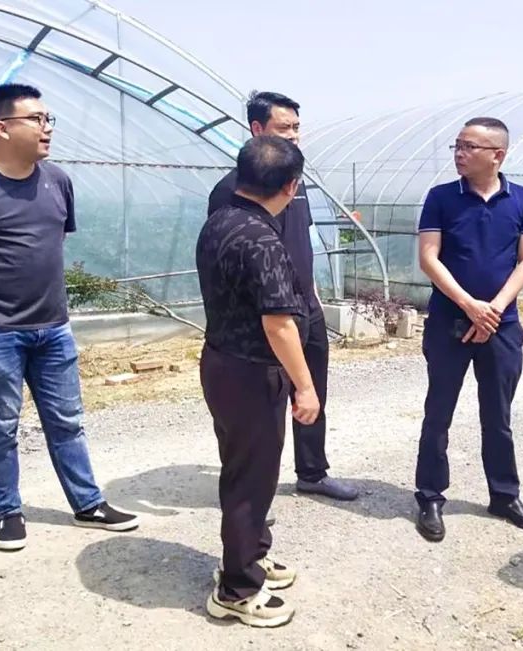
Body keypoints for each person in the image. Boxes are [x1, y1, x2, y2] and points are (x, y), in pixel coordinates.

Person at [0, 83, 138, 552]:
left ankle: (88, 504)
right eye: (36, 119)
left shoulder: (57, 180)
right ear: (2, 128)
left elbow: (50, 243)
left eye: (48, 118)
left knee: (68, 421)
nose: (47, 128)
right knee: (0, 426)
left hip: (53, 327)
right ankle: (8, 511)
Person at [208, 91, 358, 504]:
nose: (293, 135)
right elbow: (229, 258)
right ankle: (252, 492)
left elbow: (301, 243)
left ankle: (312, 471)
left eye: (296, 128)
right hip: (268, 312)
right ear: (257, 129)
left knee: (311, 391)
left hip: (305, 305)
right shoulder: (232, 190)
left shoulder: (296, 183)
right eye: (283, 127)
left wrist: (313, 296)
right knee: (262, 406)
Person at [197, 135, 321, 627]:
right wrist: (305, 387)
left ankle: (250, 554)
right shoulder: (263, 240)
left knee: (243, 469)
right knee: (251, 479)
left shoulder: (221, 220)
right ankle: (237, 588)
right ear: (291, 186)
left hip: (221, 363)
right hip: (252, 373)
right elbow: (279, 325)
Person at [414, 117, 523, 542]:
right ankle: (430, 496)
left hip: (502, 326)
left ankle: (504, 495)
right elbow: (429, 258)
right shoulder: (441, 198)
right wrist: (470, 306)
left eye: (469, 147)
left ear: (497, 155)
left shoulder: (522, 199)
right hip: (448, 322)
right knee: (438, 413)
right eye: (457, 145)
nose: (460, 153)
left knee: (498, 415)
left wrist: (494, 311)